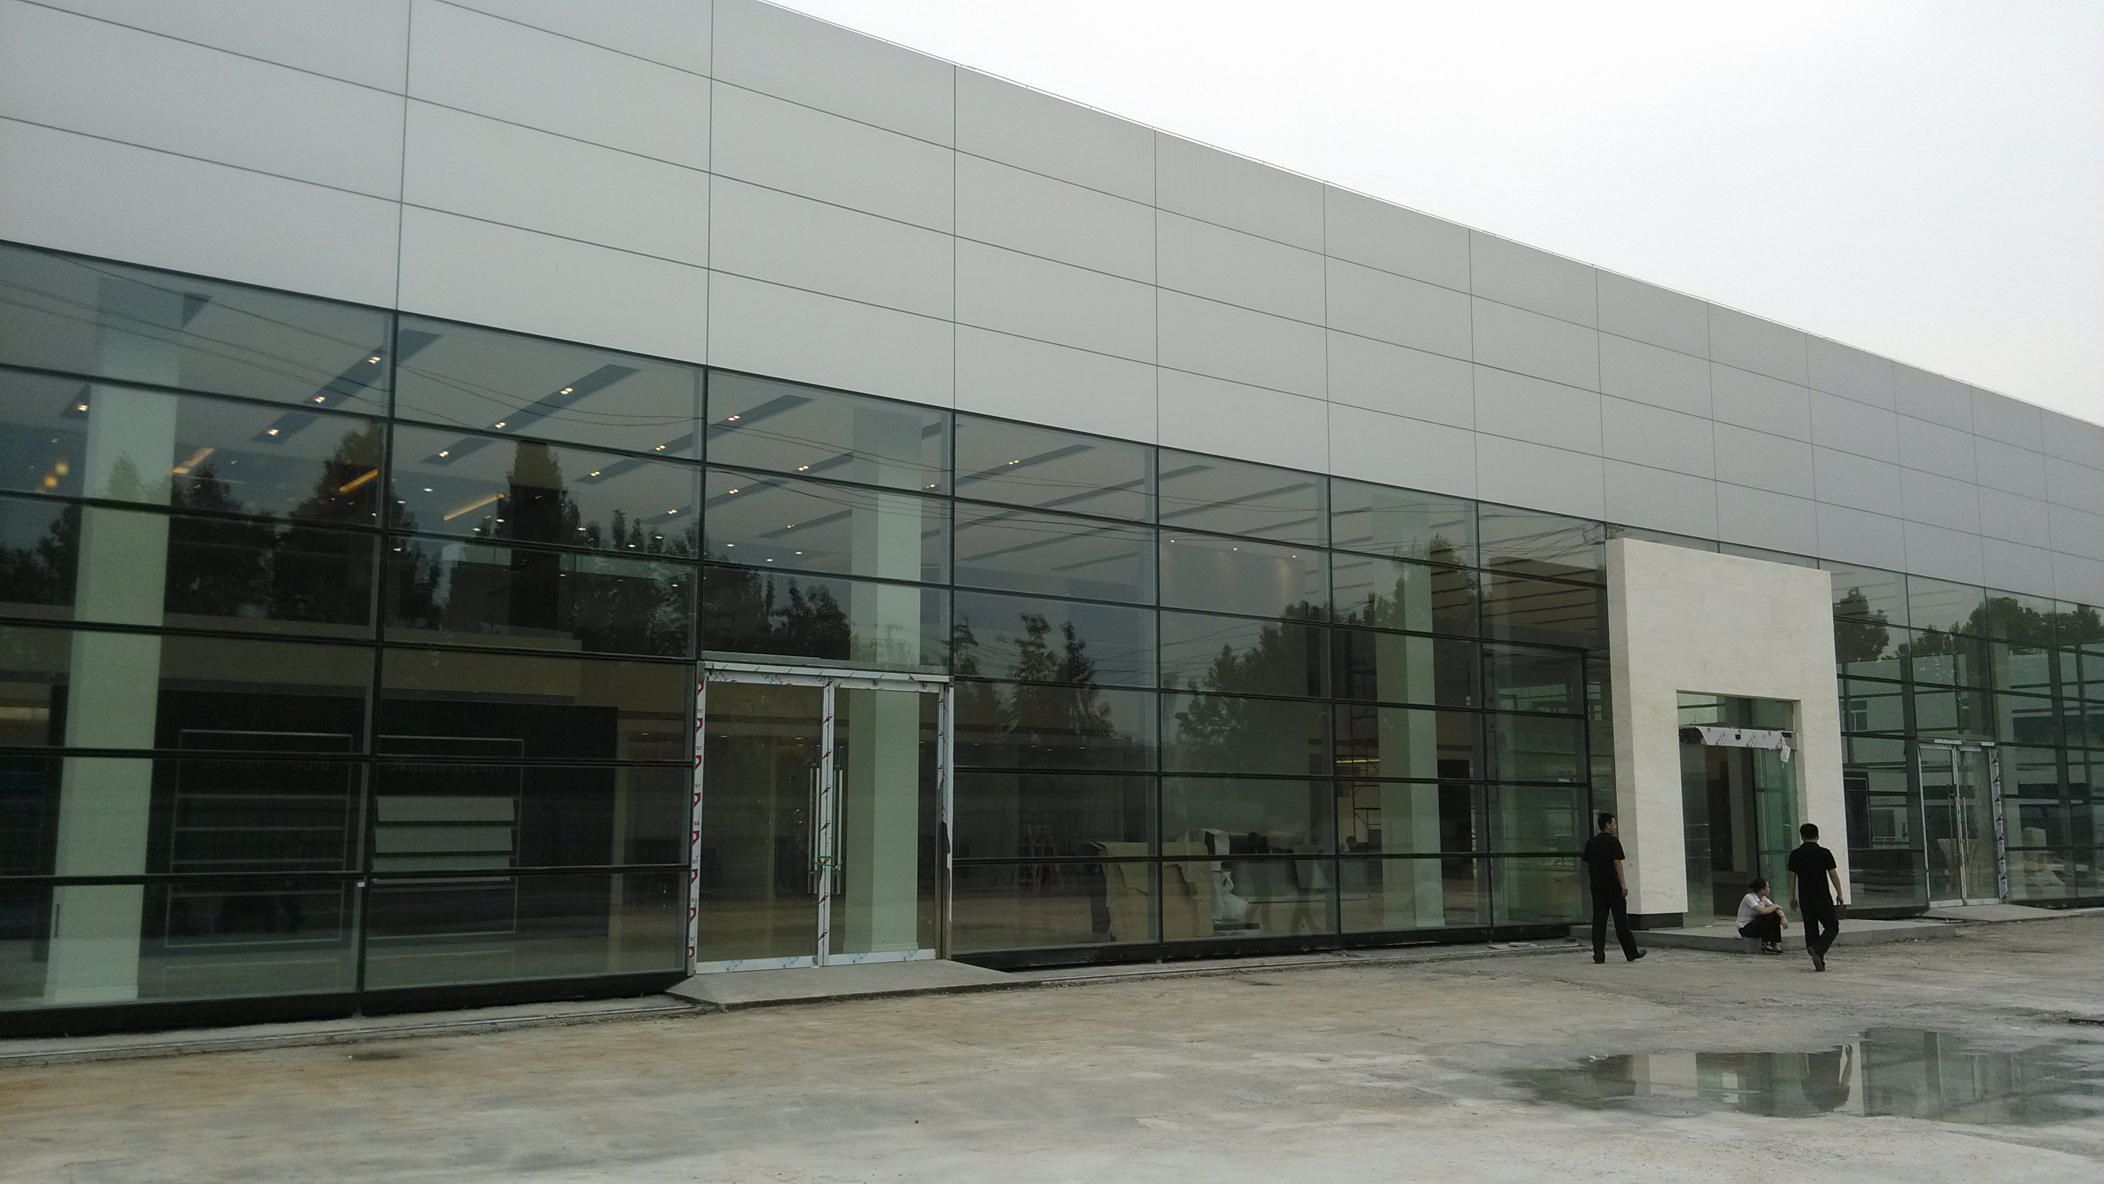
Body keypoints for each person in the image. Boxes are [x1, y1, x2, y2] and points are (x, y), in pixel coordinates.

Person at [1580, 813, 1644, 963]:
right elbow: (1617, 863)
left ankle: (1599, 955)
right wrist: (1623, 884)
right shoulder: (1613, 842)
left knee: (1599, 921)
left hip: (1597, 887)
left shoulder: (1591, 842)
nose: (1615, 826)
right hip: (1613, 887)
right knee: (1621, 921)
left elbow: (1588, 863)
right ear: (1608, 825)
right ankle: (1631, 952)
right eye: (1614, 823)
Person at [1788, 821, 1845, 971]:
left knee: (1810, 927)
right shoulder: (1824, 853)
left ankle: (1816, 953)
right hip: (1822, 895)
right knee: (1832, 926)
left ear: (1802, 836)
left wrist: (1792, 897)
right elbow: (1833, 875)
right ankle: (1819, 949)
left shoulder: (1795, 854)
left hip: (1804, 896)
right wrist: (1839, 893)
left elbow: (1792, 876)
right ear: (1817, 836)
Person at [1737, 877, 1788, 953]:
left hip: (1758, 926)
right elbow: (1762, 911)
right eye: (1768, 887)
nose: (1769, 889)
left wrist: (1783, 918)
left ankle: (1774, 943)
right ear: (1762, 889)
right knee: (1765, 916)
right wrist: (1775, 906)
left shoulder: (1763, 898)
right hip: (1746, 928)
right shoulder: (1749, 897)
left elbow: (1776, 909)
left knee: (1774, 915)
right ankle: (1765, 943)